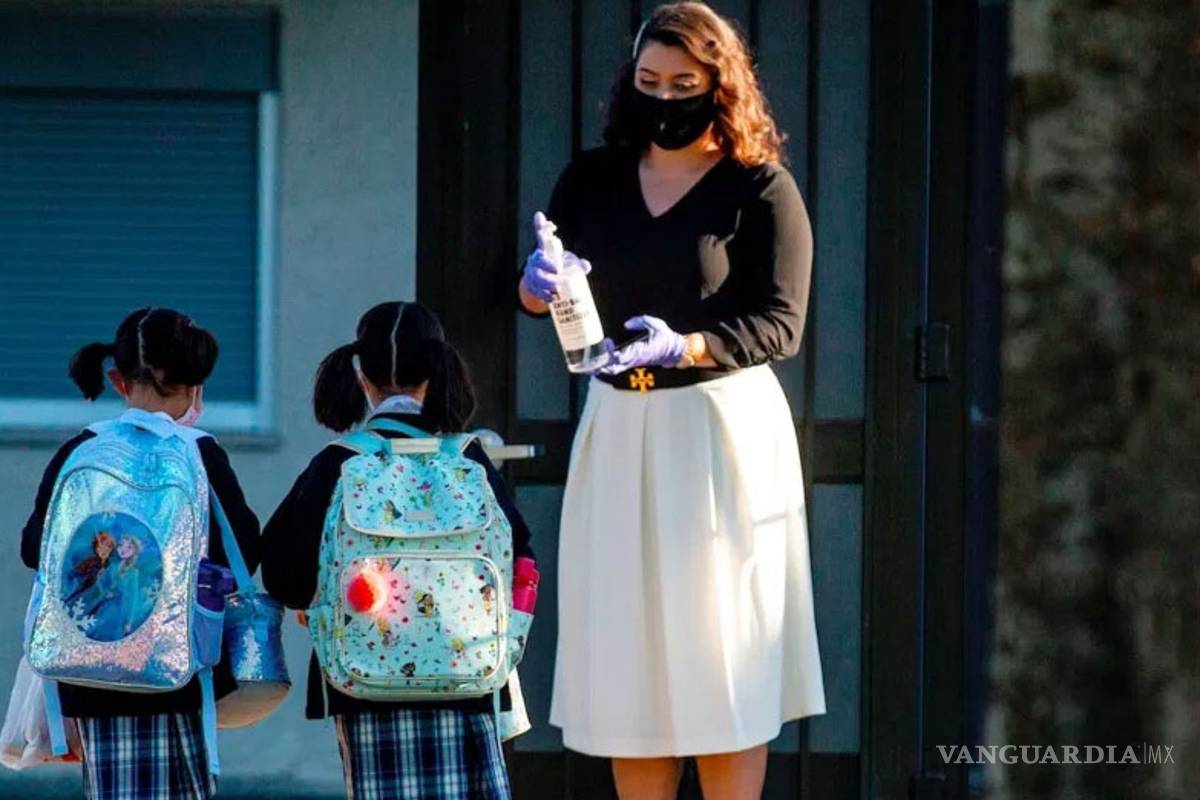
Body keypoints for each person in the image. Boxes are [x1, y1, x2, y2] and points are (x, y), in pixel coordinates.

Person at [518, 3, 826, 798]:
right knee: (634, 665)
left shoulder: (760, 188)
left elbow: (782, 325)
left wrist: (688, 345)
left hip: (717, 430)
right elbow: (548, 292)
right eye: (649, 82)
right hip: (618, 425)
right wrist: (533, 287)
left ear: (720, 87)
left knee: (719, 654)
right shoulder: (593, 178)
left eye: (683, 84)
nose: (664, 99)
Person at [261, 301, 534, 800]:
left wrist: (317, 595)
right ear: (437, 370)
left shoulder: (341, 462)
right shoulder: (466, 456)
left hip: (367, 683)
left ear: (361, 376)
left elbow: (282, 570)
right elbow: (520, 550)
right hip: (467, 679)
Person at [20, 307, 261, 799]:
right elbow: (245, 552)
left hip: (91, 674)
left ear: (115, 379)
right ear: (197, 384)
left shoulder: (82, 449)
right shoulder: (200, 453)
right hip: (180, 674)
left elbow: (33, 550)